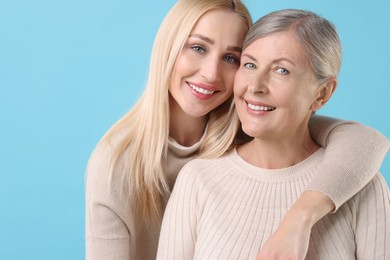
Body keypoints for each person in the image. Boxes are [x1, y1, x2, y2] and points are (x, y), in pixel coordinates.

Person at [85, 1, 389, 259]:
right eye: (197, 47)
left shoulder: (252, 129)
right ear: (168, 48)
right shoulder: (119, 165)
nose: (211, 73)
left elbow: (365, 141)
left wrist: (298, 219)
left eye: (231, 58)